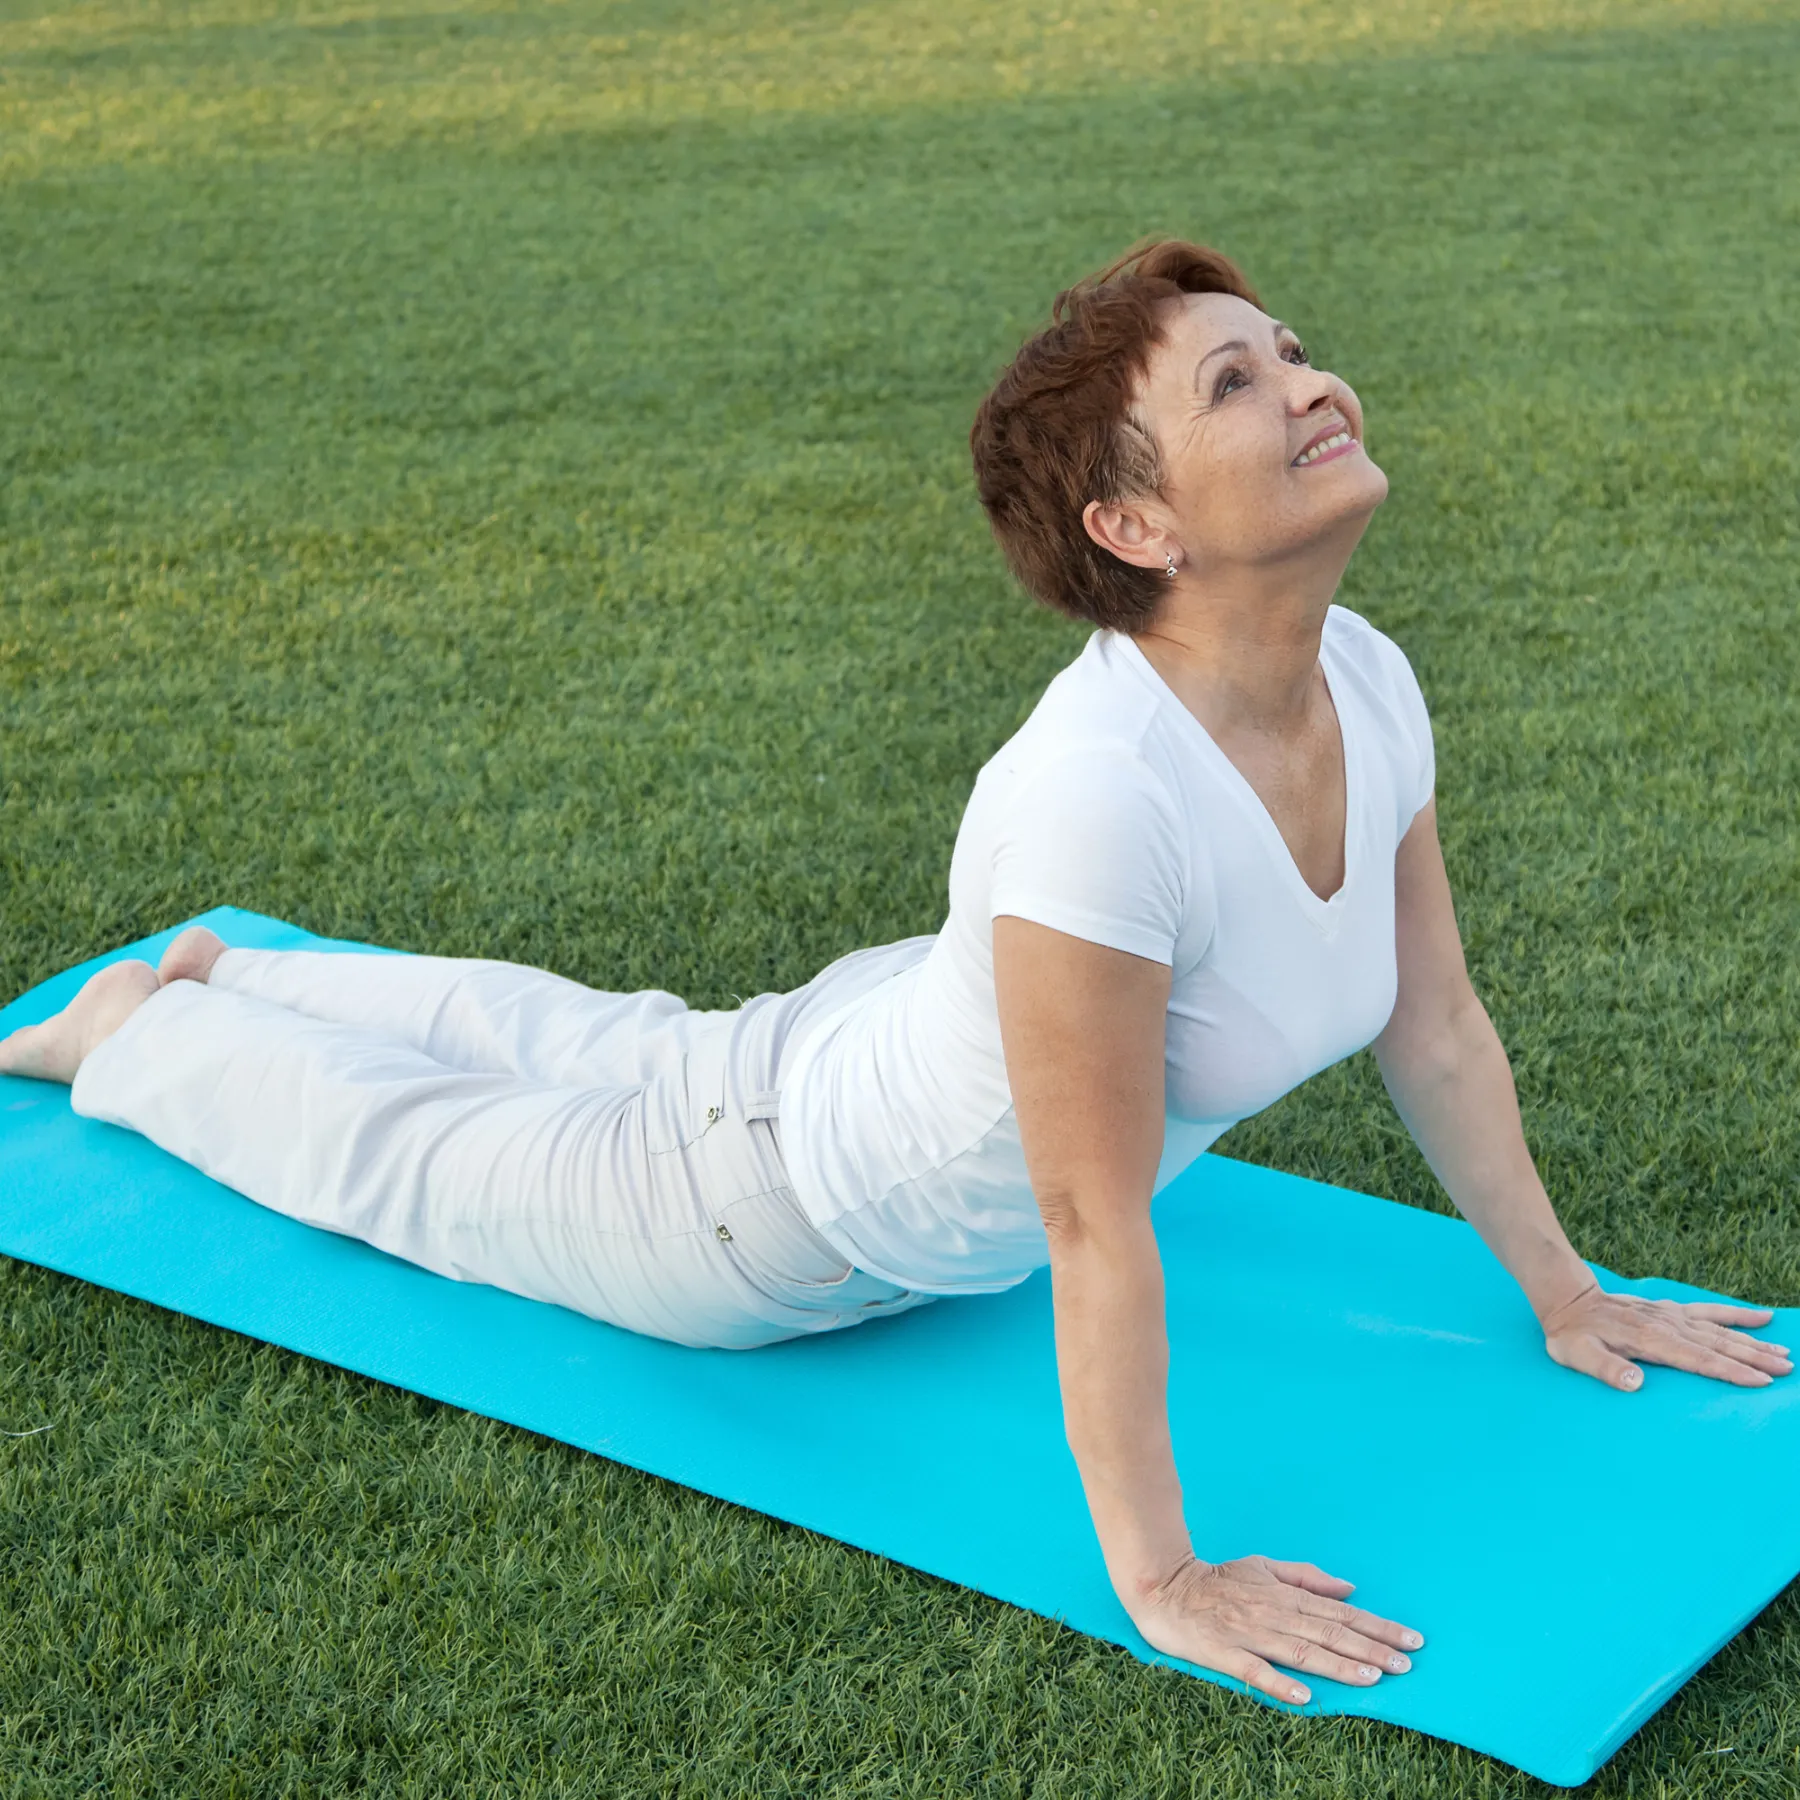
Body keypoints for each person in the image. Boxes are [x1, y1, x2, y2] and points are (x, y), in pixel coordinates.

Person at [3, 238, 1789, 1710]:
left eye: (1292, 349)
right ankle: (143, 1032)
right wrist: (1163, 1578)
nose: (1313, 383)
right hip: (766, 1220)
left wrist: (1567, 1292)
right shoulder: (1101, 795)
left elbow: (1436, 1018)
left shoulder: (1368, 676)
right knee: (405, 1160)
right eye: (1235, 383)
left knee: (556, 1034)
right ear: (1135, 530)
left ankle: (243, 961)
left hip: (843, 1040)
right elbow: (1093, 1225)